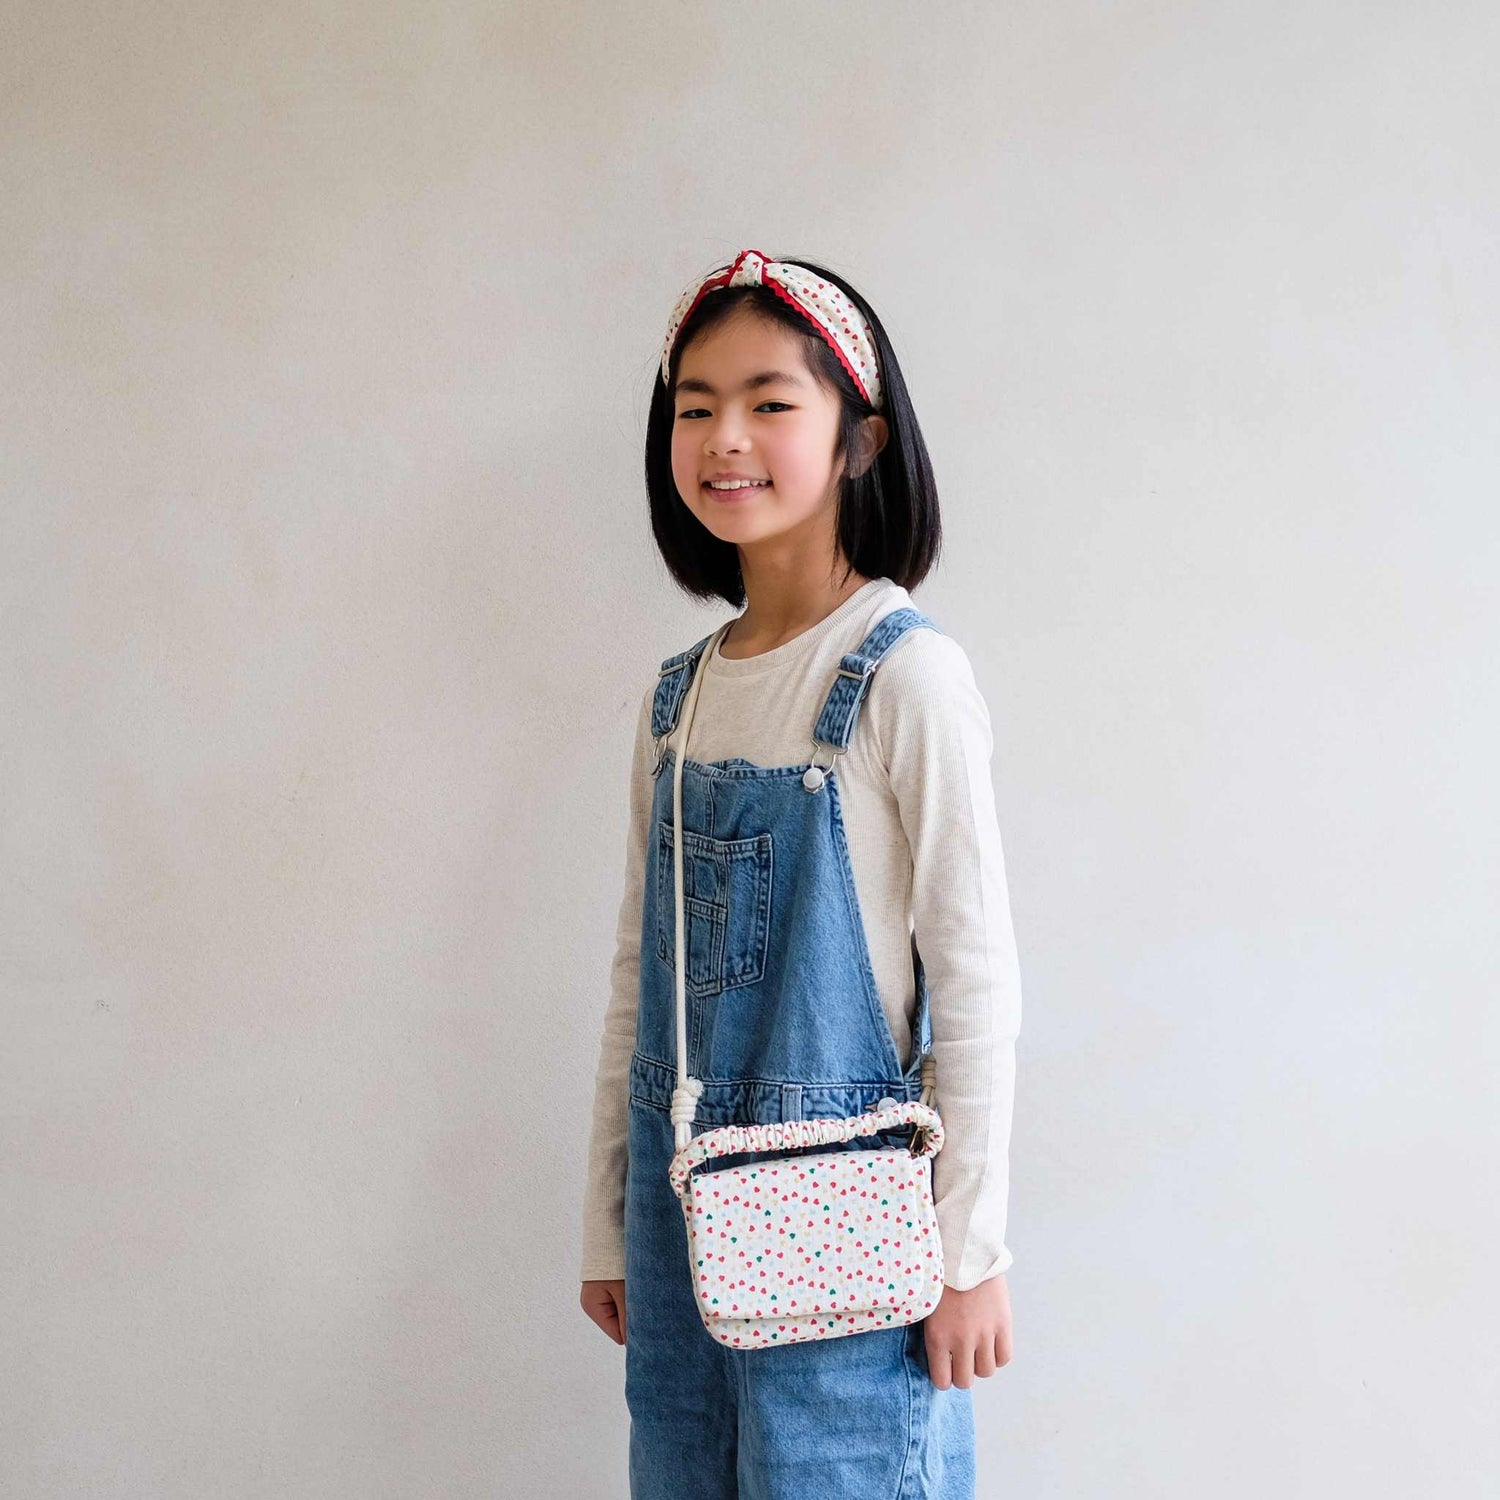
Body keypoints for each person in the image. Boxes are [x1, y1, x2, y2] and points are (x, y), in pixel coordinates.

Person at [578, 248, 1023, 1498]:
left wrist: (969, 1253)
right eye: (695, 406)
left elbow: (976, 981)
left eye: (770, 402)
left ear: (860, 440)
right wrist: (609, 1219)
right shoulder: (676, 699)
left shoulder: (905, 677)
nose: (726, 437)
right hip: (680, 1212)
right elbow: (638, 974)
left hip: (853, 1225)